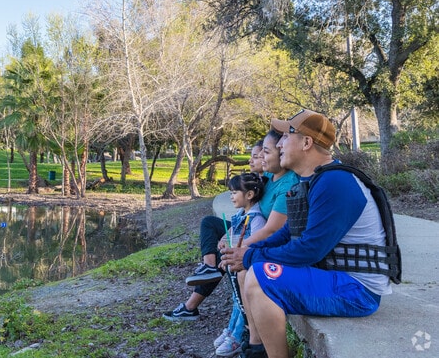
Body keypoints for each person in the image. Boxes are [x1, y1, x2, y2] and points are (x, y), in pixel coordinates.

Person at [221, 109, 395, 358]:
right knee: (253, 267)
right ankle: (256, 349)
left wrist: (249, 258)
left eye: (285, 136)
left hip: (358, 291)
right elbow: (287, 233)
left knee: (260, 275)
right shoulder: (314, 181)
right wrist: (249, 252)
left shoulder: (335, 183)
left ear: (306, 142)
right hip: (335, 278)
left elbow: (310, 249)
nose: (279, 144)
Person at [163, 135, 298, 322]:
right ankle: (208, 267)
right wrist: (255, 162)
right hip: (248, 225)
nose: (259, 159)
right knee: (210, 224)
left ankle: (192, 307)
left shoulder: (287, 183)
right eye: (259, 154)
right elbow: (253, 175)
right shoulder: (269, 174)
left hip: (261, 233)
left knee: (228, 252)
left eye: (265, 153)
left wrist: (237, 246)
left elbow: (272, 230)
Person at [214, 173, 266, 357]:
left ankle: (238, 334)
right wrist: (223, 240)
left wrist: (237, 249)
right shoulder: (240, 215)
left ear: (250, 195)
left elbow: (257, 242)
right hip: (235, 262)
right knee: (236, 300)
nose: (231, 196)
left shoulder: (256, 218)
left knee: (241, 302)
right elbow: (229, 232)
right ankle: (231, 330)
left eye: (235, 192)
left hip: (245, 263)